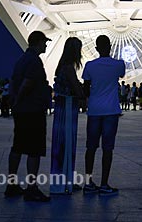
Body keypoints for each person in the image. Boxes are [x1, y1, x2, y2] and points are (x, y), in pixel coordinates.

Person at [5, 31, 52, 202]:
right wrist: (18, 99)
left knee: (18, 146)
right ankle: (31, 188)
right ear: (38, 42)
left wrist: (14, 101)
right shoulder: (34, 61)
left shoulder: (21, 60)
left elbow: (13, 81)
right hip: (33, 110)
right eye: (44, 42)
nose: (46, 45)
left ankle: (11, 184)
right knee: (34, 150)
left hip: (21, 111)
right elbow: (28, 82)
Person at [82, 35, 125, 196]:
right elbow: (120, 76)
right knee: (108, 148)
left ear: (96, 48)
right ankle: (104, 183)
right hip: (111, 110)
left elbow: (86, 88)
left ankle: (88, 182)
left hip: (94, 110)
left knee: (91, 148)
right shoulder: (119, 65)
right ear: (111, 46)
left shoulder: (90, 66)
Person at [50, 37, 84, 195]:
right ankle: (66, 181)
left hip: (60, 108)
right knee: (67, 143)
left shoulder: (61, 67)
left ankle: (60, 181)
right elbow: (77, 89)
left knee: (60, 144)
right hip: (68, 108)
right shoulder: (69, 68)